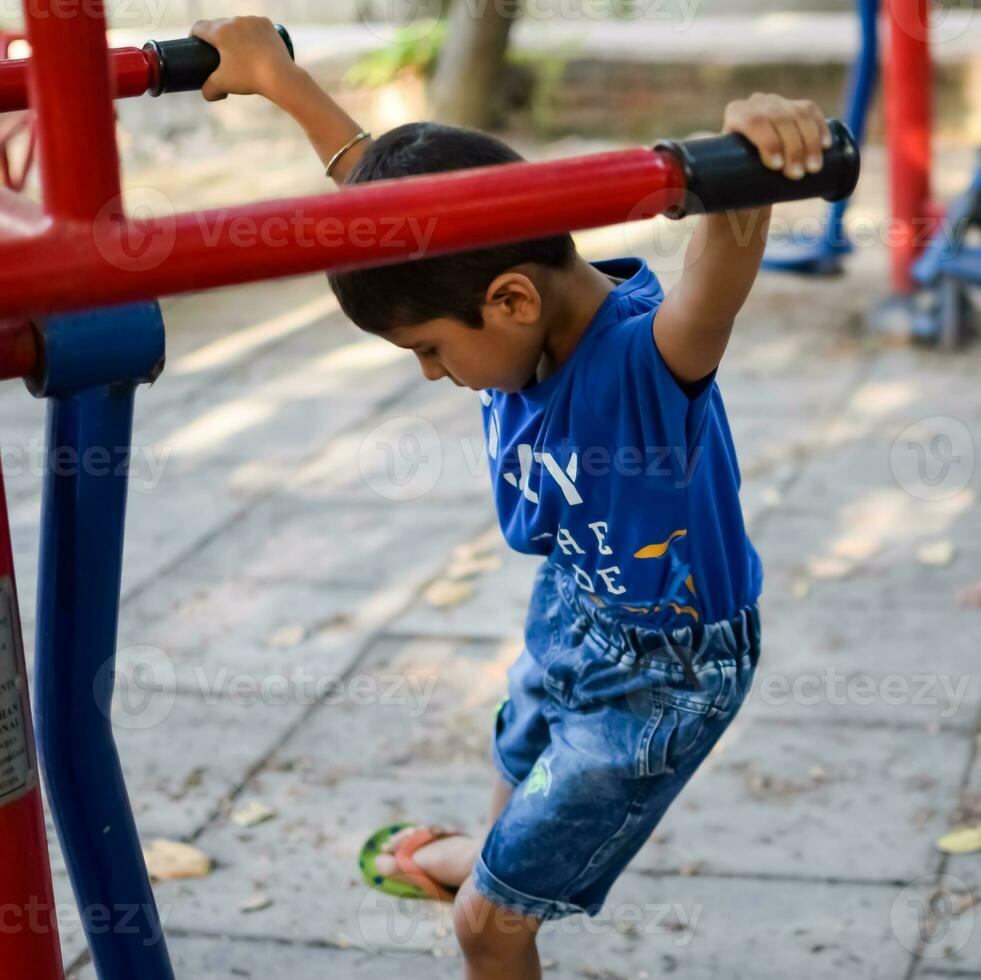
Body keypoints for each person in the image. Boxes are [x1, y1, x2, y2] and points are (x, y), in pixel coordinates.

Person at [190, 17, 832, 980]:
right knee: (516, 751)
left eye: (430, 352)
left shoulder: (643, 368)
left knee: (488, 930)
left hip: (663, 671)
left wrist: (752, 161)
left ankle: (491, 901)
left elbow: (716, 281)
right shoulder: (493, 301)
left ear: (511, 303)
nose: (432, 376)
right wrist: (276, 77)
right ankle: (488, 861)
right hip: (576, 599)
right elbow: (375, 179)